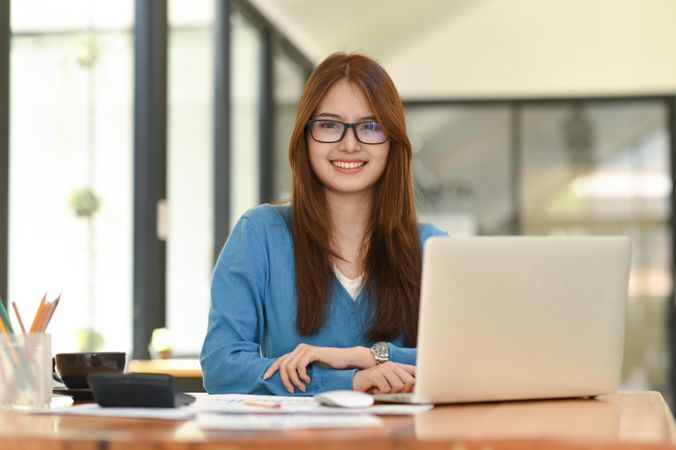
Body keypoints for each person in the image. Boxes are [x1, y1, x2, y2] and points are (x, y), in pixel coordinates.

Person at [200, 52, 446, 396]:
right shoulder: (258, 233)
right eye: (329, 125)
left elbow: (464, 360)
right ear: (305, 136)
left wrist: (360, 356)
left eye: (370, 126)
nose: (349, 144)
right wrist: (348, 381)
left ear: (392, 141)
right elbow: (222, 365)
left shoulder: (432, 248)